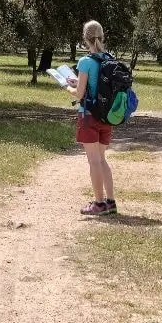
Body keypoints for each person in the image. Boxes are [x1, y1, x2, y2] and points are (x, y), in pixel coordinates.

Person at [72, 19, 117, 216]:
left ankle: (98, 204)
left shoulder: (85, 61)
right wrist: (78, 81)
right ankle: (110, 201)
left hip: (89, 117)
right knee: (102, 159)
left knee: (94, 161)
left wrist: (67, 86)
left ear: (85, 38)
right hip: (106, 117)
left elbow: (79, 93)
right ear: (102, 36)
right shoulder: (110, 59)